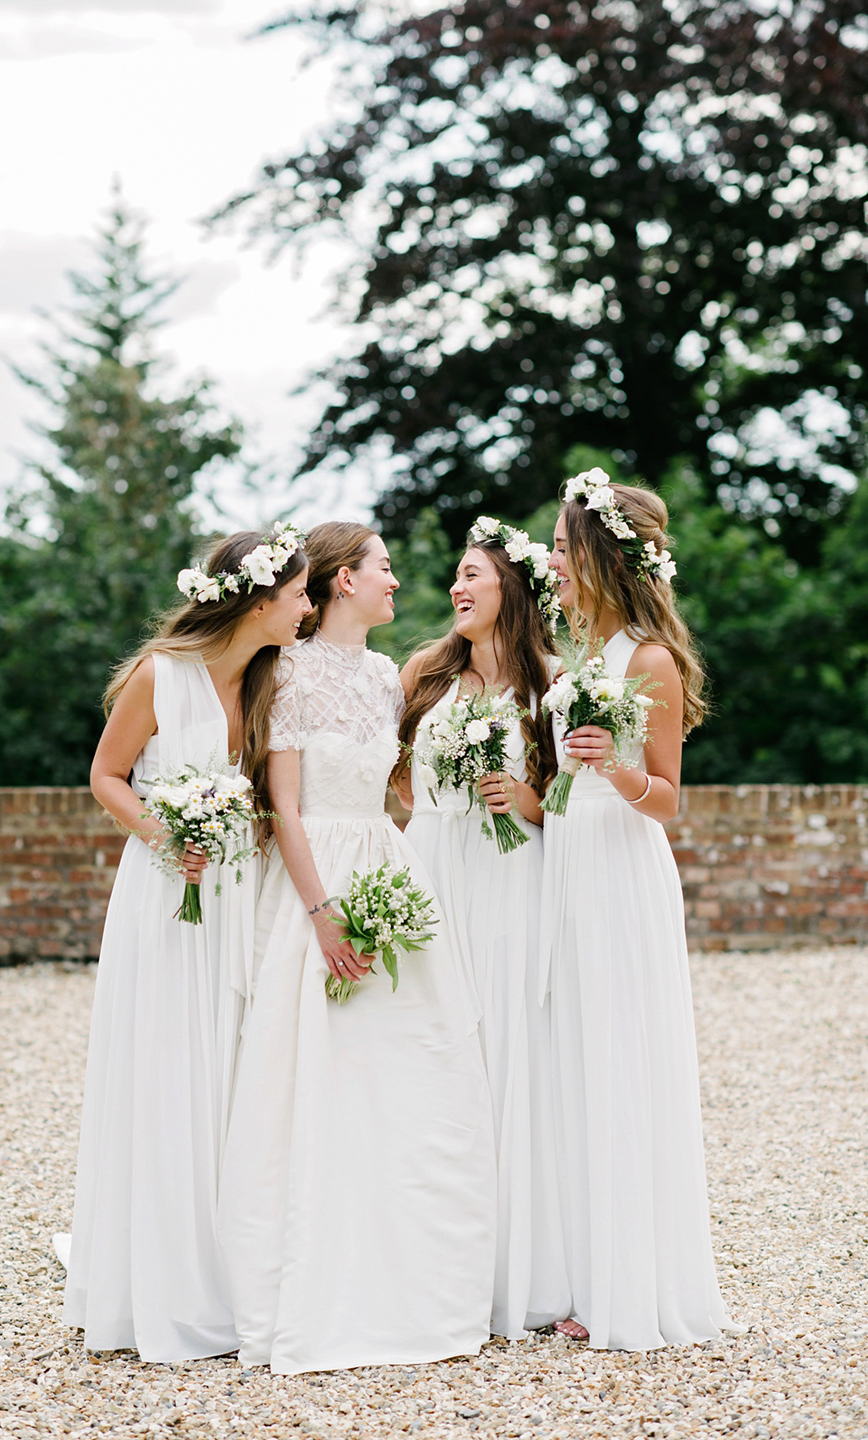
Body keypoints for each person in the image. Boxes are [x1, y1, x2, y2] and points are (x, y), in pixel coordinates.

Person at [218, 521, 497, 1376]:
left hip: (387, 863)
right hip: (317, 879)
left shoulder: (385, 675)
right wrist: (322, 911)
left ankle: (409, 1264)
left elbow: (394, 788)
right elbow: (285, 808)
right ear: (343, 582)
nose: (396, 583)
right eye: (385, 567)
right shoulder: (288, 671)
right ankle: (314, 1262)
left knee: (410, 1067)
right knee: (311, 1070)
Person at [61, 526, 311, 1362]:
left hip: (236, 893)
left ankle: (226, 1264)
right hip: (169, 892)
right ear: (261, 598)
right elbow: (105, 775)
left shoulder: (273, 681)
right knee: (172, 1066)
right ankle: (160, 1282)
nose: (307, 608)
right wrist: (163, 835)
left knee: (235, 1067)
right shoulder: (158, 675)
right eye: (301, 593)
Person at [536, 469, 741, 1350]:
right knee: (576, 1061)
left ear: (597, 557)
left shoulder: (647, 659)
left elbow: (665, 798)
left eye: (559, 544)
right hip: (570, 857)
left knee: (621, 1059)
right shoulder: (579, 656)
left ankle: (634, 1287)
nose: (549, 557)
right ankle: (585, 1269)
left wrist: (612, 769)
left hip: (622, 862)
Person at [395, 517, 567, 1339]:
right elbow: (385, 773)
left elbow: (571, 802)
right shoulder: (425, 672)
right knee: (426, 1047)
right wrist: (431, 811)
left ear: (511, 587)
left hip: (508, 880)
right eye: (455, 578)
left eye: (473, 576)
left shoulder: (552, 685)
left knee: (505, 1054)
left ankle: (513, 1265)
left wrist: (520, 799)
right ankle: (426, 1260)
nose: (457, 589)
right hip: (432, 865)